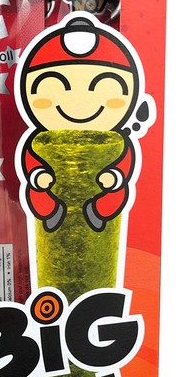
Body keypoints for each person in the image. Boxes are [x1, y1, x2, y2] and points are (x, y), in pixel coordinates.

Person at [15, 12, 151, 232]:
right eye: (56, 87)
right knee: (36, 191)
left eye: (102, 87)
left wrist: (114, 177)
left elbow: (125, 161)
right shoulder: (40, 142)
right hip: (50, 195)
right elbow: (31, 159)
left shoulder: (116, 143)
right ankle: (51, 212)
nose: (77, 101)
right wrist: (40, 175)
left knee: (118, 193)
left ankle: (98, 212)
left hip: (105, 194)